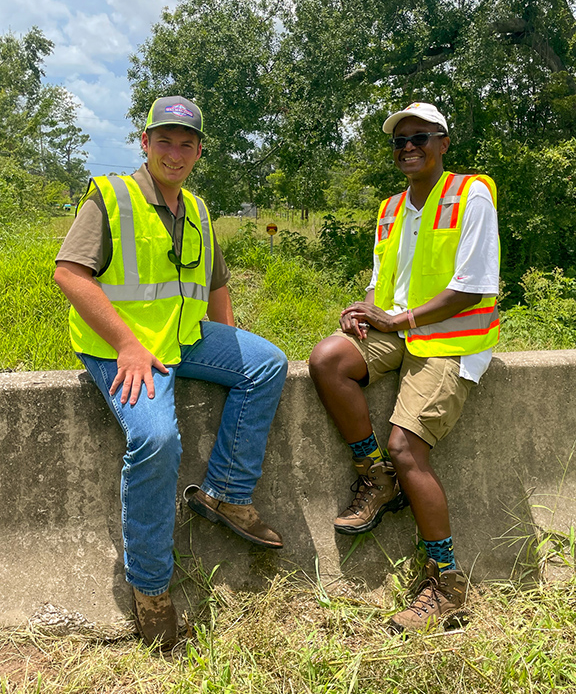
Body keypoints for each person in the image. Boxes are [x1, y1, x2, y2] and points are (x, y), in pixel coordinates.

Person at [54, 96, 288, 650]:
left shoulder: (200, 210)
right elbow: (70, 275)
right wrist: (128, 344)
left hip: (181, 338)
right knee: (156, 438)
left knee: (268, 363)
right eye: (165, 140)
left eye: (186, 143)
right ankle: (151, 589)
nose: (175, 152)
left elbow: (215, 286)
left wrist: (232, 342)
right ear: (145, 142)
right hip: (122, 346)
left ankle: (226, 492)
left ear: (199, 150)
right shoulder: (111, 196)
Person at [309, 102, 499, 633]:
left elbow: (474, 287)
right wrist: (365, 310)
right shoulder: (391, 208)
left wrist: (402, 318)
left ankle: (447, 583)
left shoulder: (470, 194)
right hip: (401, 331)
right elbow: (380, 280)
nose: (408, 147)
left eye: (420, 137)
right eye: (399, 141)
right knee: (327, 359)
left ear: (443, 142)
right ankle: (376, 478)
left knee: (407, 446)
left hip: (450, 339)